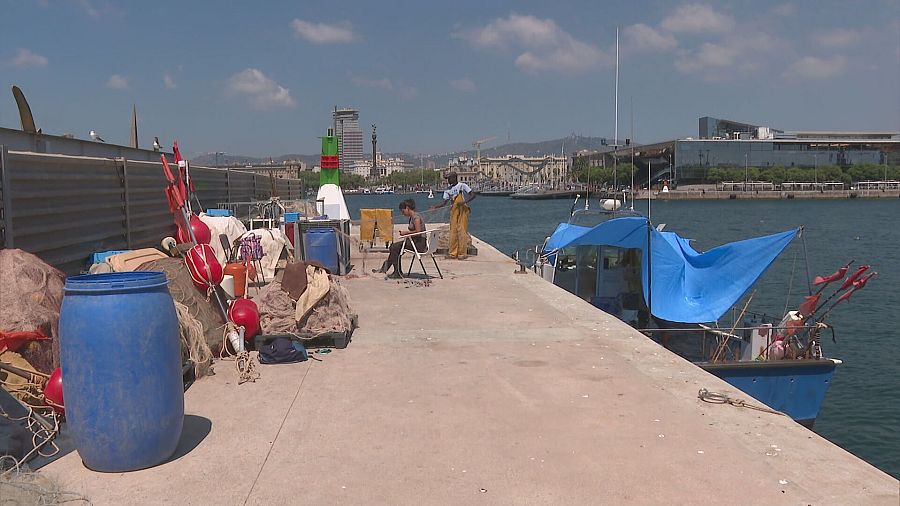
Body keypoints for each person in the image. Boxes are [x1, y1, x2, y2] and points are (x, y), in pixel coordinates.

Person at [373, 199, 426, 279]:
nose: (402, 213)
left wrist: (406, 233)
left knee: (394, 248)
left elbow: (418, 231)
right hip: (416, 242)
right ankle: (388, 269)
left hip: (419, 244)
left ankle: (395, 271)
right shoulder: (413, 217)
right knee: (394, 248)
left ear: (407, 208)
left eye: (403, 211)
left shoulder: (416, 218)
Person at [429, 172, 476, 259]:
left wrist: (464, 202)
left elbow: (473, 195)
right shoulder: (447, 190)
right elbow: (444, 202)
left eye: (449, 178)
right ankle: (453, 253)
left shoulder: (462, 186)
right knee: (453, 232)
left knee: (462, 231)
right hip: (454, 211)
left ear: (454, 178)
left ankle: (462, 253)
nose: (448, 180)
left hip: (462, 210)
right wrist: (435, 207)